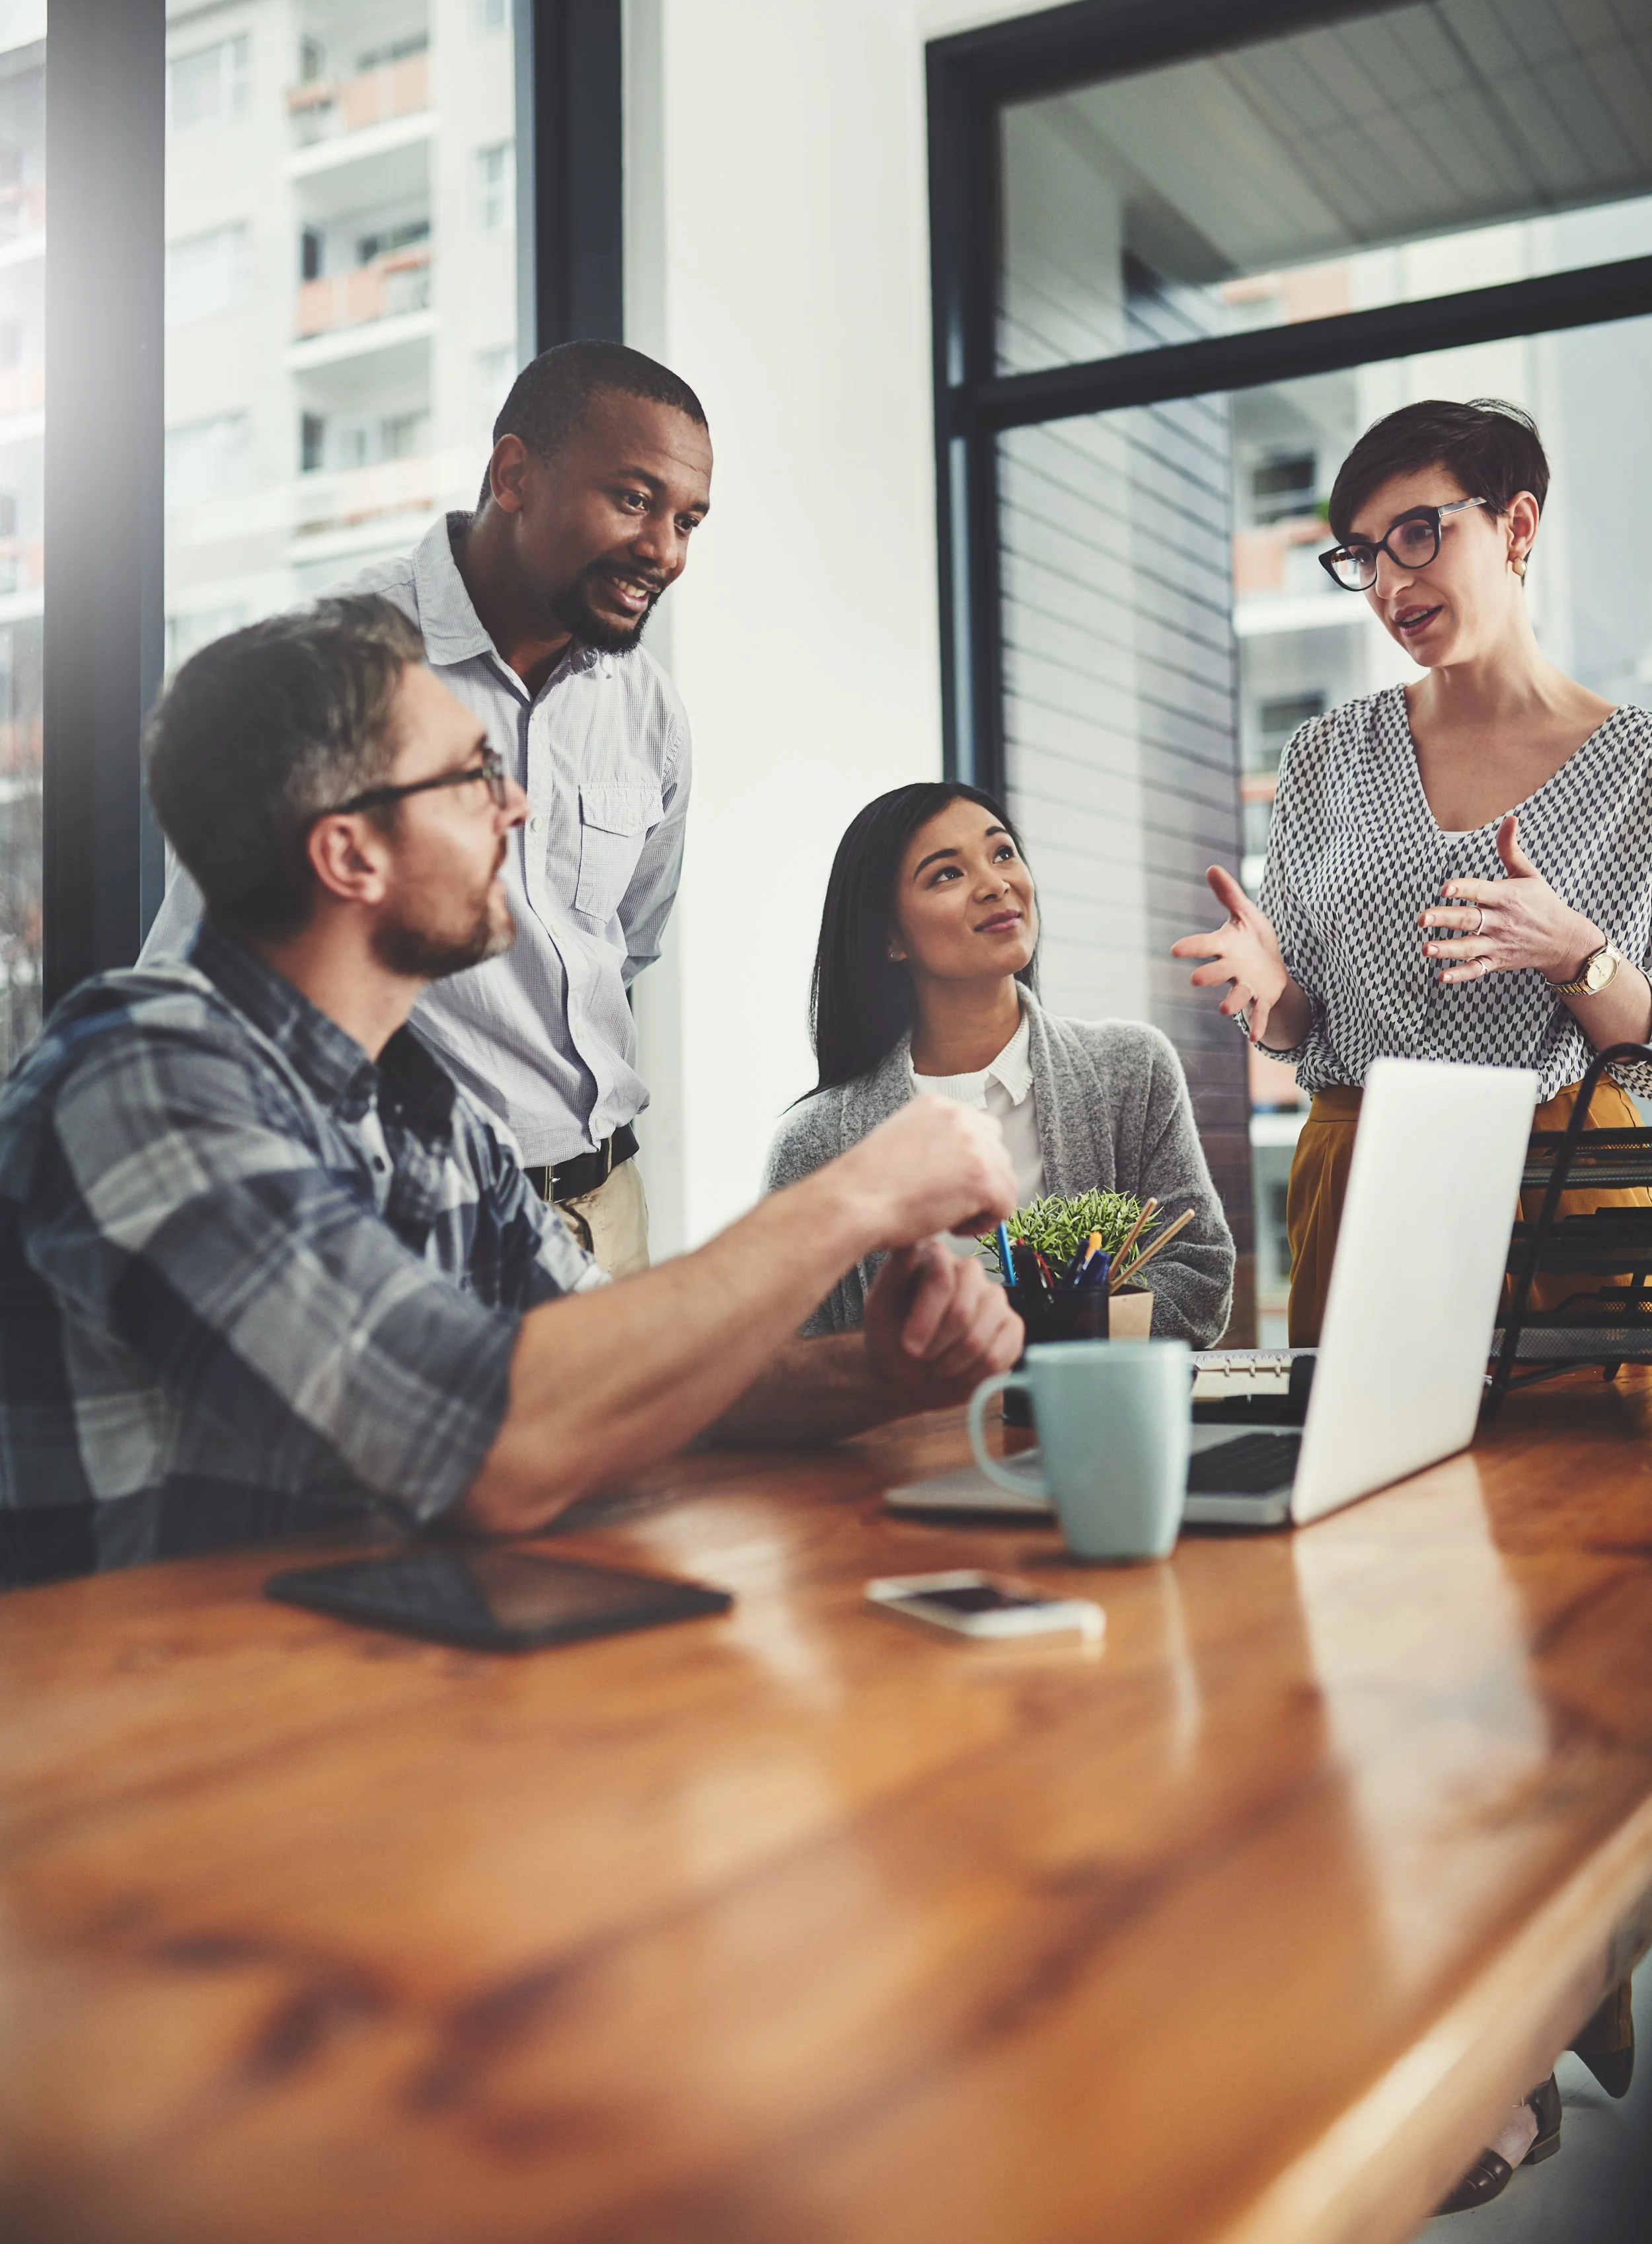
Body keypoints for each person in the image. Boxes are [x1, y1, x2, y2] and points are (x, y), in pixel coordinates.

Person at [0, 601, 1022, 1591]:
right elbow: (490, 1438)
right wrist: (853, 1198)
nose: (519, 805)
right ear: (350, 852)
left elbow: (617, 1363)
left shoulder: (422, 1104)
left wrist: (879, 1376)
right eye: (476, 774)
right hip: (140, 1727)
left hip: (359, 1681)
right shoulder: (146, 1073)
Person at [1171, 395, 1642, 2193]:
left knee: (1557, 1629)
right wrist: (1266, 999)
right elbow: (1321, 1019)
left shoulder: (1644, 765)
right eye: (1356, 552)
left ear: (1515, 524)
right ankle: (1441, 2020)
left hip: (1565, 1208)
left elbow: (1648, 1029)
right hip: (1364, 1182)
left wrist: (1582, 954)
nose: (1386, 579)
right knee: (1380, 1615)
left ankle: (1525, 2028)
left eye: (1418, 534)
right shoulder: (1330, 757)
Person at [143, 340, 712, 1278]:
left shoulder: (647, 709)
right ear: (515, 473)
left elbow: (626, 944)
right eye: (635, 499)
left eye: (689, 519)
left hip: (610, 1205)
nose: (666, 551)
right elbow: (209, 967)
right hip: (402, 1213)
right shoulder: (344, 665)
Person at [765, 781, 1234, 1342]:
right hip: (908, 1433)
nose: (995, 884)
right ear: (891, 937)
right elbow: (789, 1355)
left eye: (1003, 853)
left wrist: (1041, 1345)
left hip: (1092, 1425)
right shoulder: (814, 1142)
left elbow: (1200, 1275)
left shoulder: (1132, 1069)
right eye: (947, 873)